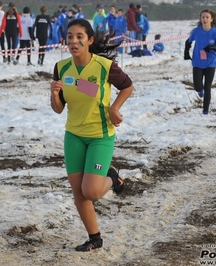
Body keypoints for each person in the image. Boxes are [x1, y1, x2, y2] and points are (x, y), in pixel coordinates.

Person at [50, 18, 134, 252]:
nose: (73, 41)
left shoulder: (104, 66)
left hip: (100, 135)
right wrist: (54, 94)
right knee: (79, 192)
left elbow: (128, 86)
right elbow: (59, 108)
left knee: (93, 191)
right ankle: (94, 238)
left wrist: (114, 108)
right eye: (70, 37)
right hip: (74, 135)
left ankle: (113, 179)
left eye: (79, 37)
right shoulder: (61, 68)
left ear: (89, 40)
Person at [184, 9, 216, 115]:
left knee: (207, 87)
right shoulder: (196, 31)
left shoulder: (215, 32)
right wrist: (186, 53)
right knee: (197, 86)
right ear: (200, 19)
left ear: (211, 19)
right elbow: (188, 42)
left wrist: (212, 47)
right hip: (197, 62)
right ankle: (199, 90)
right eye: (203, 17)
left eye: (207, 17)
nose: (205, 19)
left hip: (211, 63)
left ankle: (205, 111)